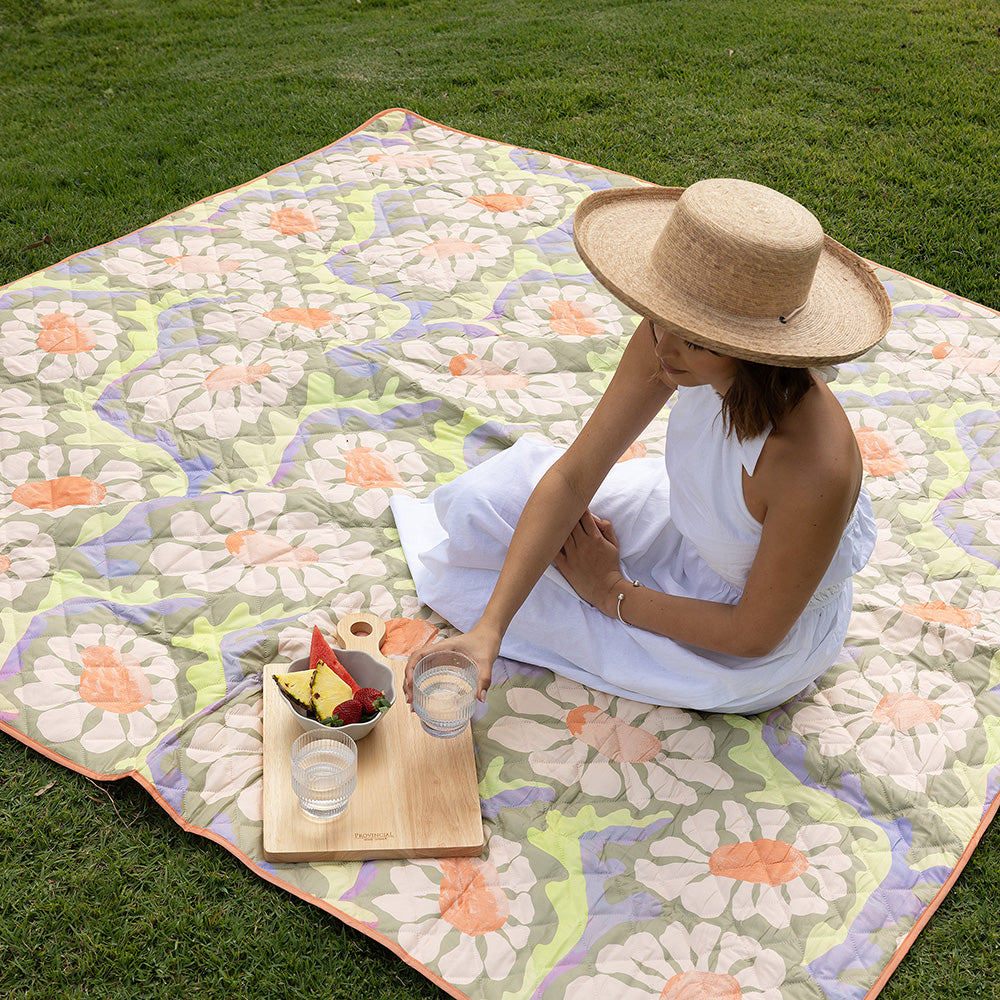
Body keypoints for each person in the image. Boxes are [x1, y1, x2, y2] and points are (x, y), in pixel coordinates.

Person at [389, 178, 891, 715]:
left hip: (750, 630)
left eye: (695, 338)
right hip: (691, 523)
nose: (664, 347)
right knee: (477, 509)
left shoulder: (814, 466)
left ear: (757, 350)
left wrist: (610, 591)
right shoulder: (669, 339)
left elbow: (753, 634)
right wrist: (489, 629)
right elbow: (574, 476)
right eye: (661, 319)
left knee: (544, 593)